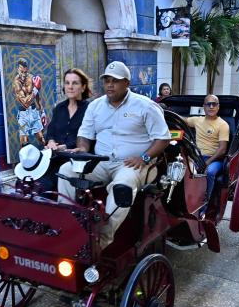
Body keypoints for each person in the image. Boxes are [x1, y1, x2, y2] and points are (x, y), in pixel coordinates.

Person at [57, 61, 170, 249]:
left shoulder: (146, 106)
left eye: (115, 81)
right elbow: (84, 135)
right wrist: (83, 149)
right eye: (107, 80)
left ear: (126, 83)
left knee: (122, 186)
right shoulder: (95, 106)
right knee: (66, 170)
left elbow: (163, 139)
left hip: (133, 164)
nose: (110, 85)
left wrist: (144, 157)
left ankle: (100, 241)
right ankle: (69, 226)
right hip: (101, 161)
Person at [36, 68, 92, 191]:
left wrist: (66, 146)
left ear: (83, 87)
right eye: (67, 83)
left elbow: (90, 138)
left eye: (75, 83)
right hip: (54, 157)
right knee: (33, 181)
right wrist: (50, 142)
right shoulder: (59, 108)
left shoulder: (90, 109)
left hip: (76, 160)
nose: (70, 87)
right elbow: (50, 132)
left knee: (48, 185)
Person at [183, 95, 229, 213]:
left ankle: (204, 206)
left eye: (214, 104)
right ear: (204, 107)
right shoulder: (197, 120)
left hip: (215, 160)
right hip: (197, 157)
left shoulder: (223, 125)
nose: (211, 106)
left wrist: (207, 162)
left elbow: (222, 149)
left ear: (218, 107)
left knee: (209, 172)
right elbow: (181, 119)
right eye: (208, 104)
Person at [13, 58, 46, 147]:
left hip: (34, 112)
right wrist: (35, 90)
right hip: (24, 114)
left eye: (25, 72)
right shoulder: (16, 82)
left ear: (26, 69)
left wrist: (42, 112)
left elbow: (38, 96)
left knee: (41, 139)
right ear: (18, 69)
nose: (23, 74)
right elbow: (25, 103)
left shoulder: (31, 78)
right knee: (24, 143)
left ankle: (49, 158)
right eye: (21, 72)